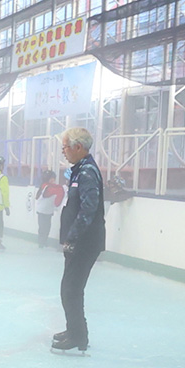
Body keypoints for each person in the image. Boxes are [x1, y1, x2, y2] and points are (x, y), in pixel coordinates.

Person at [50, 128, 104, 353]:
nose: (63, 152)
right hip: (80, 241)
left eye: (65, 147)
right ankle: (74, 330)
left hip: (85, 241)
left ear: (78, 147)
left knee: (71, 289)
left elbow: (89, 208)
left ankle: (78, 336)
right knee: (70, 288)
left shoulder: (87, 172)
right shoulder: (79, 170)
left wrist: (72, 238)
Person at [31, 169, 63, 246]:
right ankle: (41, 242)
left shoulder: (48, 186)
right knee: (42, 227)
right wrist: (61, 189)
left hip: (48, 211)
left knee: (47, 227)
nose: (54, 180)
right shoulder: (46, 186)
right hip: (42, 211)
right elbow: (51, 192)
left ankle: (43, 241)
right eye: (52, 178)